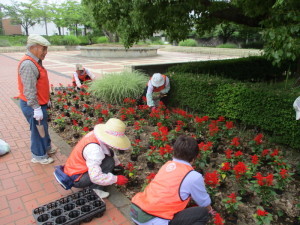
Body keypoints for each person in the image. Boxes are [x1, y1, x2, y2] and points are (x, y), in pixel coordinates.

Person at [130, 135, 214, 225]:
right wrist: (210, 211)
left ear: (174, 152)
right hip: (154, 219)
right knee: (202, 213)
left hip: (137, 211)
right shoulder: (193, 176)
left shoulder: (167, 165)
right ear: (194, 157)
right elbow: (203, 202)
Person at [55, 118, 131, 199]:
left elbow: (109, 151)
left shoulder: (95, 136)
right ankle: (96, 190)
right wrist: (115, 179)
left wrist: (118, 163)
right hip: (76, 178)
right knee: (109, 162)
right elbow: (95, 177)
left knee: (110, 160)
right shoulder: (95, 150)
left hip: (74, 170)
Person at [17, 34, 55, 165]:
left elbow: (40, 84)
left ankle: (46, 148)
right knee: (37, 131)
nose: (45, 52)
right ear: (33, 48)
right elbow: (29, 90)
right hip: (33, 106)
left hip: (40, 103)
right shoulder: (28, 64)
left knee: (43, 127)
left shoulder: (36, 61)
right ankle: (38, 156)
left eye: (46, 49)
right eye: (43, 49)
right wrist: (36, 108)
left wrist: (46, 99)